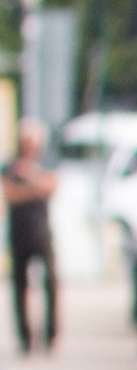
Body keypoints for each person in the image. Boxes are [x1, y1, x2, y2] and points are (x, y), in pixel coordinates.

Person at [5, 121, 57, 355]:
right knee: (19, 285)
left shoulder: (42, 164)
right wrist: (33, 188)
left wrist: (30, 178)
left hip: (42, 231)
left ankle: (51, 334)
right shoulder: (10, 167)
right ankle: (25, 337)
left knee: (51, 282)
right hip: (19, 232)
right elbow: (9, 194)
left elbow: (51, 187)